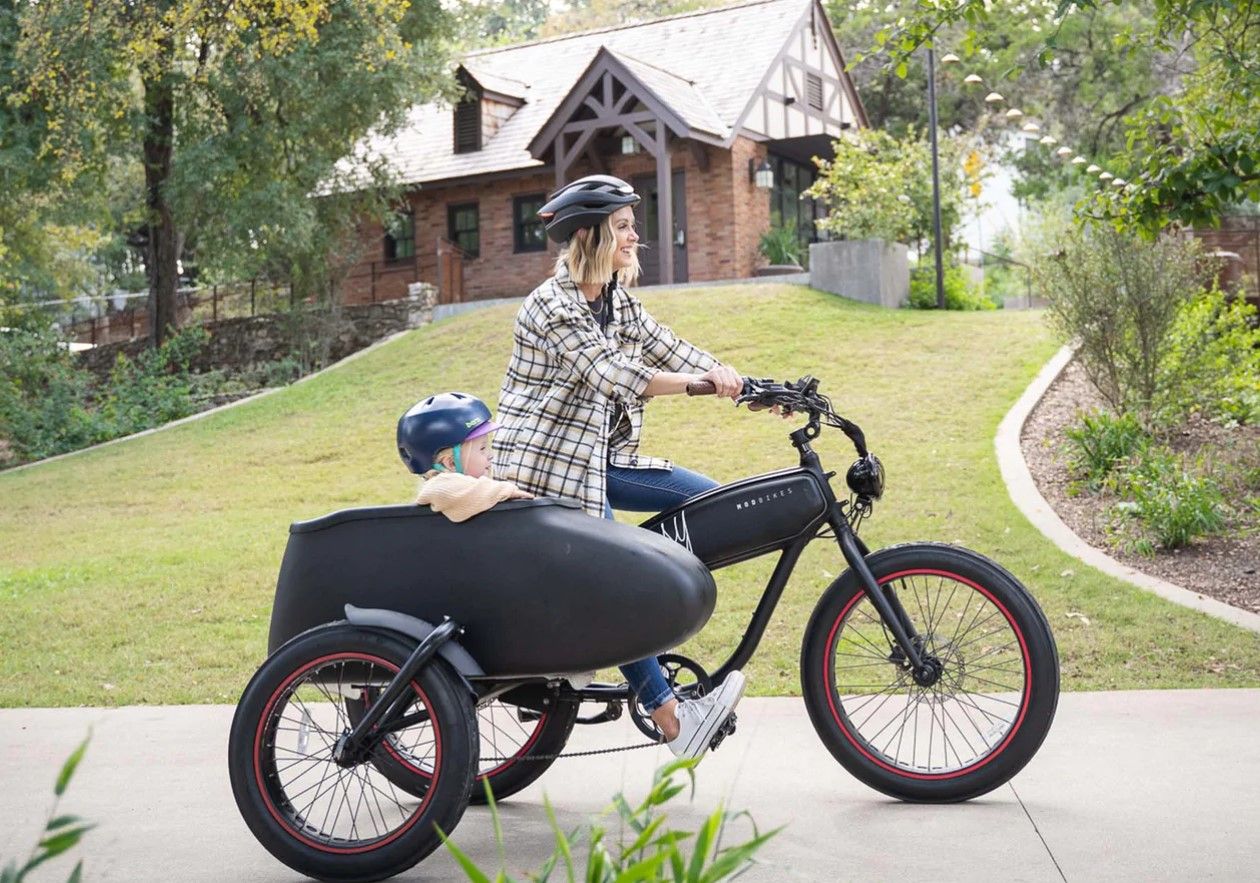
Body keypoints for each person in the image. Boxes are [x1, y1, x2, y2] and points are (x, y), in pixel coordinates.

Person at [491, 174, 780, 759]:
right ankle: (673, 719)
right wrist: (703, 387)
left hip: (598, 459)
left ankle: (627, 603)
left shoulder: (616, 300)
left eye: (631, 224)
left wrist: (748, 386)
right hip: (545, 467)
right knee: (618, 578)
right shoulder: (552, 305)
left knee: (710, 503)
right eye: (622, 226)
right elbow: (619, 375)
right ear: (592, 234)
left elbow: (668, 347)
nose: (634, 235)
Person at [397, 392, 532, 522]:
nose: (490, 455)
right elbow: (444, 487)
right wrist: (502, 491)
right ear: (451, 464)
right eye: (482, 448)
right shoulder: (439, 488)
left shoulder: (469, 495)